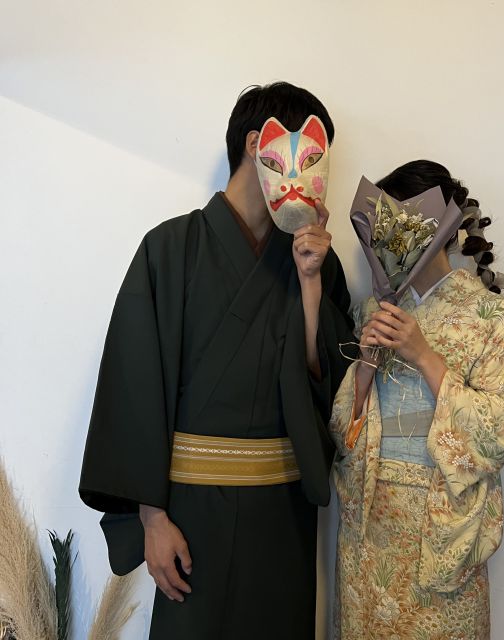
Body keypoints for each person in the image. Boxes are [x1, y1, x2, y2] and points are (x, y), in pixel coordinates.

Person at [79, 82, 355, 639]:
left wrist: (309, 283)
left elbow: (329, 387)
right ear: (257, 145)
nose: (313, 176)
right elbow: (134, 387)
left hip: (281, 514)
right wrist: (152, 518)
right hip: (190, 516)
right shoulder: (170, 249)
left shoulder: (315, 260)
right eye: (309, 155)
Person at [329, 160, 504, 639]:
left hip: (442, 526)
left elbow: (500, 428)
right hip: (372, 519)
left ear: (440, 229)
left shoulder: (491, 316)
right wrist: (365, 366)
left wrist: (423, 354)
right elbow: (343, 432)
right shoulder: (374, 311)